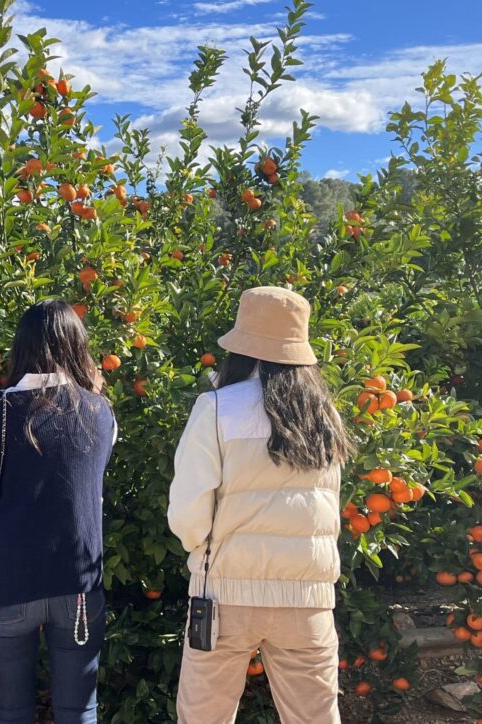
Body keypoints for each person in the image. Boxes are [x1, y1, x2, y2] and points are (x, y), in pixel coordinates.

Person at [168, 286, 352, 724]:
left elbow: (188, 511)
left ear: (242, 348)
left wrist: (202, 548)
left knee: (202, 718)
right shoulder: (324, 414)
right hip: (307, 599)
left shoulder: (215, 408)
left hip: (225, 596)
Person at [0, 299, 117, 724]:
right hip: (77, 583)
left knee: (12, 710)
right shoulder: (100, 412)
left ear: (20, 347)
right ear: (79, 346)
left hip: (12, 586)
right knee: (80, 710)